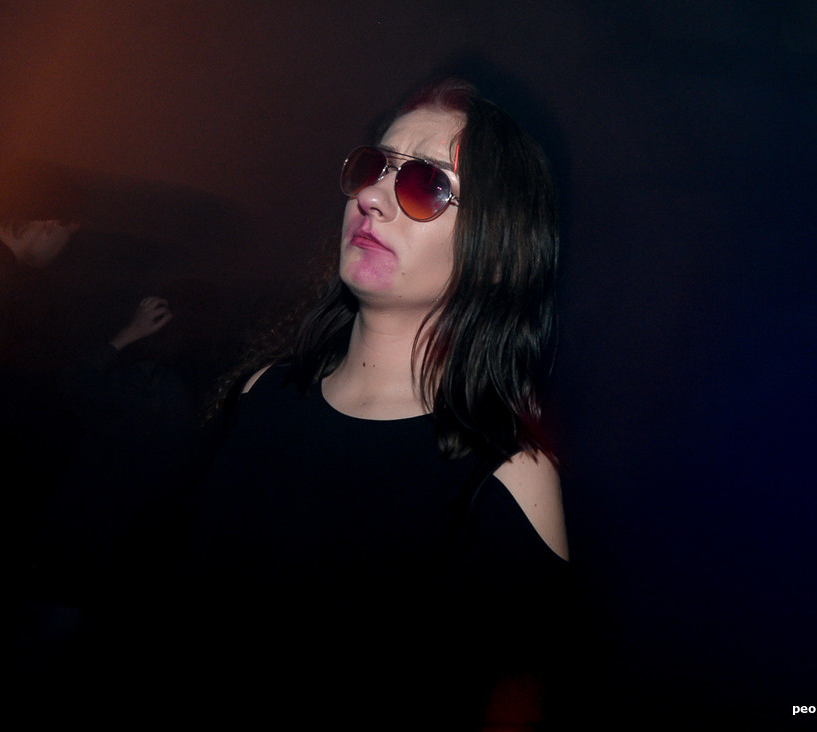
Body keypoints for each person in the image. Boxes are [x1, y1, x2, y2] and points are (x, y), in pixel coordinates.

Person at [68, 78, 570, 731]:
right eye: (373, 166)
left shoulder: (506, 476)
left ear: (499, 253)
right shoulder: (261, 393)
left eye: (426, 184)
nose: (371, 196)